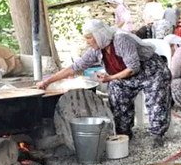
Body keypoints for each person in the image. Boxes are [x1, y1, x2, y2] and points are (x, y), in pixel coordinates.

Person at [37, 20, 171, 148]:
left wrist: (111, 77)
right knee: (116, 94)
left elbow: (133, 68)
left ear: (99, 35)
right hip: (125, 77)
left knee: (156, 101)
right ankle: (124, 133)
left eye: (89, 38)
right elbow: (74, 67)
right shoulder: (97, 50)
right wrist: (47, 82)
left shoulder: (121, 39)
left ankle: (157, 134)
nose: (88, 42)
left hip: (151, 72)